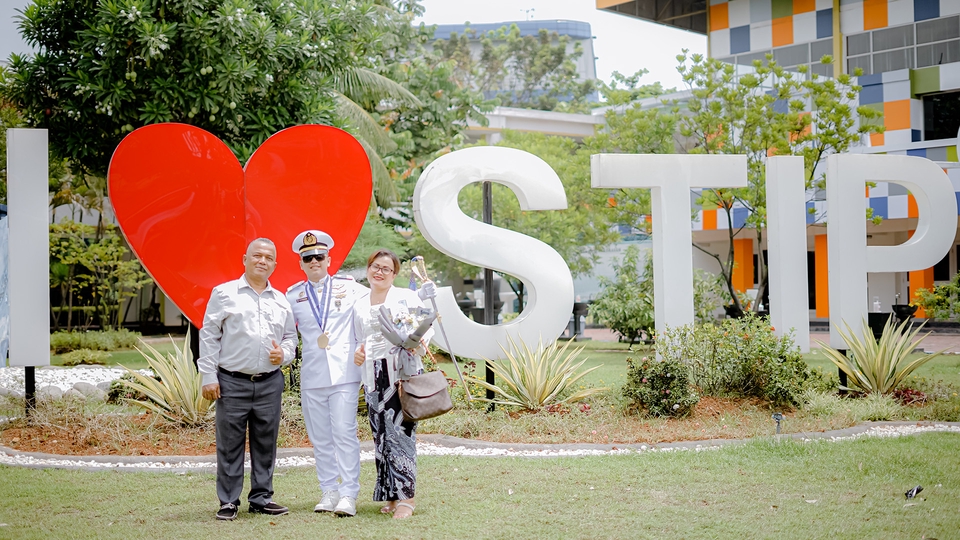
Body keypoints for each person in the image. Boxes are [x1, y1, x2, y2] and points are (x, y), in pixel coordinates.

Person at [198, 238, 297, 521]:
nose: (262, 261)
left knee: (266, 441)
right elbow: (209, 335)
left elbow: (290, 337)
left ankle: (262, 498)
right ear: (245, 259)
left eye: (268, 257)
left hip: (269, 381)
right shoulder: (224, 293)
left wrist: (285, 355)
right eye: (257, 255)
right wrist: (208, 375)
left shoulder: (281, 300)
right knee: (230, 443)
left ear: (275, 265)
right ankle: (228, 501)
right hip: (231, 381)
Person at [285, 230, 368, 517]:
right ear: (301, 263)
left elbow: (374, 309)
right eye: (308, 258)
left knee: (345, 433)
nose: (314, 261)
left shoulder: (352, 288)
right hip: (313, 375)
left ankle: (348, 494)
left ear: (329, 259)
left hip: (344, 373)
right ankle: (329, 490)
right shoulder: (293, 295)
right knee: (320, 437)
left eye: (319, 256)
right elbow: (283, 330)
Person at [352, 249, 435, 520]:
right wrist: (358, 353)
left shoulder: (406, 296)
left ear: (394, 274)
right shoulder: (360, 302)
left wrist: (419, 342)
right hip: (372, 375)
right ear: (368, 269)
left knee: (401, 434)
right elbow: (357, 339)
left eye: (386, 269)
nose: (379, 272)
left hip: (400, 372)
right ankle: (389, 493)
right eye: (375, 266)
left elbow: (427, 325)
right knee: (381, 437)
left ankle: (406, 499)